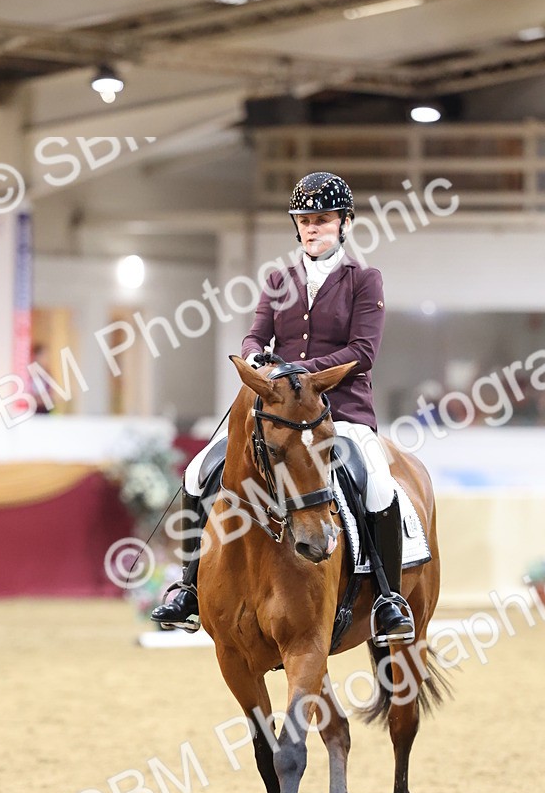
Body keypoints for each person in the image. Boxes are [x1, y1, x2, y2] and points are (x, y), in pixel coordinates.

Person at [152, 171, 413, 642]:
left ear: (344, 222)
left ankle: (387, 598)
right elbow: (257, 333)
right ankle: (189, 587)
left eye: (324, 219)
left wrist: (299, 373)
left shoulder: (364, 280)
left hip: (341, 411)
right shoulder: (279, 279)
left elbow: (363, 352)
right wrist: (255, 356)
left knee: (377, 485)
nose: (314, 228)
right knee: (196, 473)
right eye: (306, 220)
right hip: (275, 411)